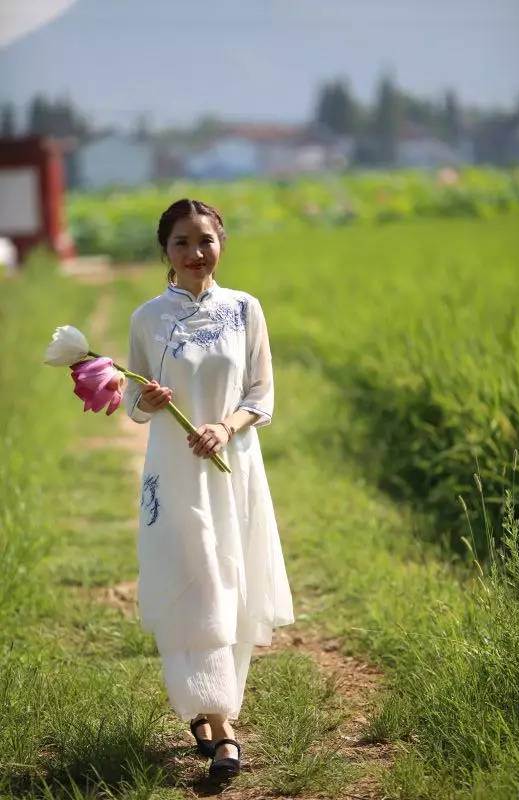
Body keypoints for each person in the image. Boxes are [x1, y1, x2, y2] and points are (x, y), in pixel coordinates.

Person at [123, 198, 295, 782]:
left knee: (231, 582)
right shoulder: (147, 318)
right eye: (182, 243)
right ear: (164, 250)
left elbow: (261, 393)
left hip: (233, 467)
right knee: (190, 582)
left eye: (206, 240)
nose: (196, 253)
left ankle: (209, 711)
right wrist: (145, 400)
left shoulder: (246, 310)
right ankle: (221, 728)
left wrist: (226, 426)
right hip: (173, 473)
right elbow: (132, 402)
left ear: (222, 241)